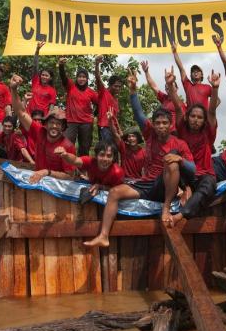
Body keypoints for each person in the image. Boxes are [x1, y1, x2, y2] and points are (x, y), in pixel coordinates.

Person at [83, 70, 195, 248]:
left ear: (170, 124)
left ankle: (165, 208)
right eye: (157, 123)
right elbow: (139, 114)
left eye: (164, 123)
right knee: (114, 193)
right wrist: (133, 90)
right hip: (146, 184)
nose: (160, 126)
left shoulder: (179, 143)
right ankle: (104, 235)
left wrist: (180, 161)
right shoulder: (150, 135)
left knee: (171, 161)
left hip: (163, 186)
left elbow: (193, 169)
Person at [165, 66, 219, 223]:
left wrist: (214, 89)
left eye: (199, 117)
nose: (196, 119)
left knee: (209, 186)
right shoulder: (182, 128)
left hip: (204, 174)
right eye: (193, 116)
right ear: (188, 118)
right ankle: (184, 188)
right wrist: (170, 86)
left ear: (204, 120)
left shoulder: (208, 132)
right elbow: (177, 106)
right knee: (173, 153)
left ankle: (180, 216)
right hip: (185, 174)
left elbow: (212, 112)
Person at [10, 74, 75, 184]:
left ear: (63, 127)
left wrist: (47, 172)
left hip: (57, 189)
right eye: (52, 122)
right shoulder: (40, 131)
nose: (54, 126)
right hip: (37, 183)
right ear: (46, 124)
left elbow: (69, 176)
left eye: (58, 124)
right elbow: (20, 112)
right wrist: (13, 89)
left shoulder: (68, 146)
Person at [55, 140, 125, 204]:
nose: (105, 159)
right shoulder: (90, 162)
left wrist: (101, 187)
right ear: (96, 156)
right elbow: (75, 160)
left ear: (113, 158)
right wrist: (65, 155)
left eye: (109, 156)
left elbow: (120, 190)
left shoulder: (117, 172)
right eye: (102, 155)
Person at [59, 57, 99, 156]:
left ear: (87, 79)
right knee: (67, 145)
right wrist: (61, 66)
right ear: (76, 78)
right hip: (71, 122)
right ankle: (68, 168)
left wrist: (94, 114)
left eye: (84, 77)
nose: (81, 79)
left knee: (85, 148)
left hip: (86, 123)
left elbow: (99, 104)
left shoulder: (91, 92)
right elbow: (63, 77)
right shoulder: (71, 87)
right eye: (79, 76)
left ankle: (82, 169)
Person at [140, 60, 184, 131]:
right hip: (163, 132)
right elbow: (153, 86)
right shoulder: (164, 98)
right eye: (166, 87)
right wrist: (146, 72)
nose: (168, 88)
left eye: (170, 86)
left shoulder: (180, 104)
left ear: (177, 88)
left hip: (175, 133)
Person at [171, 41, 212, 109]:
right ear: (190, 76)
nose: (195, 72)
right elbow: (181, 69)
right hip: (190, 117)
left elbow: (217, 100)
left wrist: (210, 111)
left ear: (202, 75)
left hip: (204, 118)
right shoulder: (188, 85)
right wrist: (175, 52)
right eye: (193, 71)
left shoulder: (207, 87)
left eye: (198, 71)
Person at [94, 54, 123, 142]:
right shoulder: (104, 92)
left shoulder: (116, 100)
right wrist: (97, 64)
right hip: (105, 127)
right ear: (110, 85)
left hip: (113, 129)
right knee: (106, 149)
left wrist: (119, 129)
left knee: (113, 152)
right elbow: (98, 78)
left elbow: (115, 117)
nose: (117, 88)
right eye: (116, 86)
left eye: (119, 87)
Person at [108, 113, 146, 180]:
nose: (131, 138)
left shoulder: (143, 152)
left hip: (137, 180)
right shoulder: (124, 147)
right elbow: (115, 134)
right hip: (124, 179)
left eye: (133, 136)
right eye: (129, 136)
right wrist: (110, 120)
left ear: (137, 138)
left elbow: (146, 169)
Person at [27, 41, 57, 115]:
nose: (44, 76)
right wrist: (37, 51)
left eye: (46, 75)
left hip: (42, 117)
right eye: (43, 75)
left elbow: (51, 106)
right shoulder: (36, 82)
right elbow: (35, 66)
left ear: (50, 78)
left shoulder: (52, 90)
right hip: (30, 115)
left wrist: (47, 118)